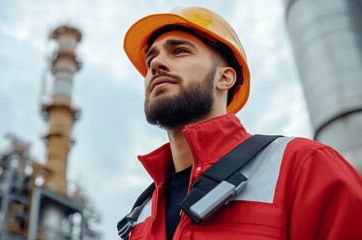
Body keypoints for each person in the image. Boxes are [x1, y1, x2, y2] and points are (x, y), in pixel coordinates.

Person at [119, 6, 362, 240]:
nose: (155, 65)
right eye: (151, 58)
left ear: (225, 78)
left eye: (180, 51)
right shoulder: (140, 214)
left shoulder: (302, 165)